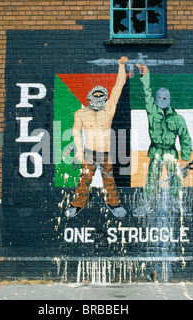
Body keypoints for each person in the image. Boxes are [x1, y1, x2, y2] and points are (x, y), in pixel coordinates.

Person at [65, 57, 128, 218]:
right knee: (84, 180)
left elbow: (118, 85)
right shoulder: (82, 114)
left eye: (101, 96)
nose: (98, 98)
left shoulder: (108, 109)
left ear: (104, 97)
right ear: (90, 96)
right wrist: (79, 150)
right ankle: (77, 205)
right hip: (88, 153)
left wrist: (121, 65)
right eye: (95, 95)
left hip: (105, 153)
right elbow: (76, 130)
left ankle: (113, 203)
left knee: (109, 181)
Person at [136, 64, 192, 203]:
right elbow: (146, 93)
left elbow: (185, 138)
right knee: (152, 179)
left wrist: (185, 158)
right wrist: (145, 75)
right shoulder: (152, 111)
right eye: (159, 99)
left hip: (170, 151)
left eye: (164, 99)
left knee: (175, 179)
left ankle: (177, 203)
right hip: (155, 150)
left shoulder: (178, 119)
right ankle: (148, 203)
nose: (161, 101)